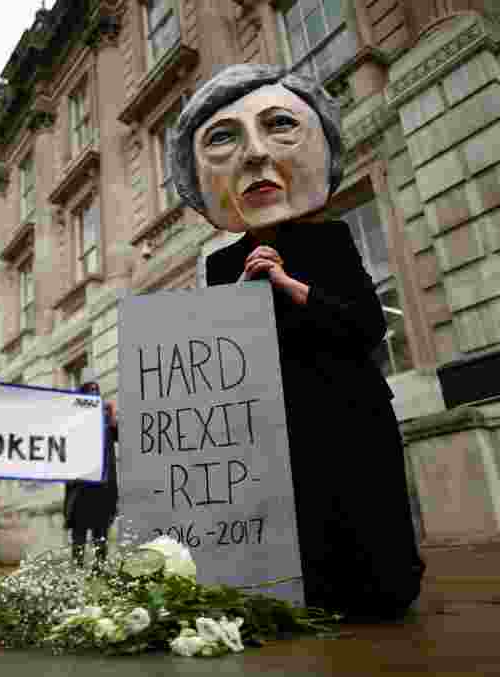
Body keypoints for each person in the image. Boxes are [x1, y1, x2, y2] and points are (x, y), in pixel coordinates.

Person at [170, 64, 426, 622]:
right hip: (274, 427)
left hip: (347, 409)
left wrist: (289, 285)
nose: (256, 157)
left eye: (279, 126)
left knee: (366, 536)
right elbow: (212, 362)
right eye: (223, 139)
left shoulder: (330, 239)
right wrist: (239, 292)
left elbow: (365, 326)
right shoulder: (220, 264)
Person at [63, 371, 119, 570]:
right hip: (81, 487)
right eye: (90, 389)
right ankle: (76, 574)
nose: (94, 393)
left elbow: (121, 435)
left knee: (100, 534)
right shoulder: (74, 418)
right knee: (79, 534)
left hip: (103, 488)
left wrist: (111, 416)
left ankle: (99, 572)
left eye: (97, 389)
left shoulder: (105, 418)